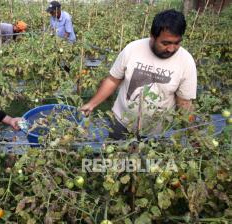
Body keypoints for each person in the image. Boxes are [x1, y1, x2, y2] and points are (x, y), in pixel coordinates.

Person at [80, 9, 197, 140]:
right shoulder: (133, 49)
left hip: (157, 133)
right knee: (115, 158)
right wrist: (91, 104)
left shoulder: (186, 61)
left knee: (151, 161)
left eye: (176, 43)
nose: (171, 49)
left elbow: (184, 102)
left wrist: (194, 135)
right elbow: (113, 80)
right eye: (166, 43)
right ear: (152, 36)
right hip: (121, 123)